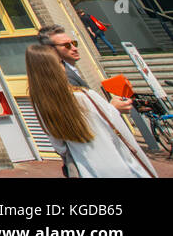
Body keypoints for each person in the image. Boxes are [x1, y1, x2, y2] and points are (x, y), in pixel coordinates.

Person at [26, 44, 157, 178]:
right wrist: (113, 108)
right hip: (120, 165)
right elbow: (117, 128)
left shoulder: (41, 105)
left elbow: (59, 146)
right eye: (60, 63)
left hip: (86, 169)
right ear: (55, 68)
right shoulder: (85, 96)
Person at [38, 24, 130, 113]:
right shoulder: (63, 78)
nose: (74, 48)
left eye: (74, 43)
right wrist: (113, 109)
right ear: (50, 49)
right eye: (67, 45)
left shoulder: (69, 69)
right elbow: (85, 115)